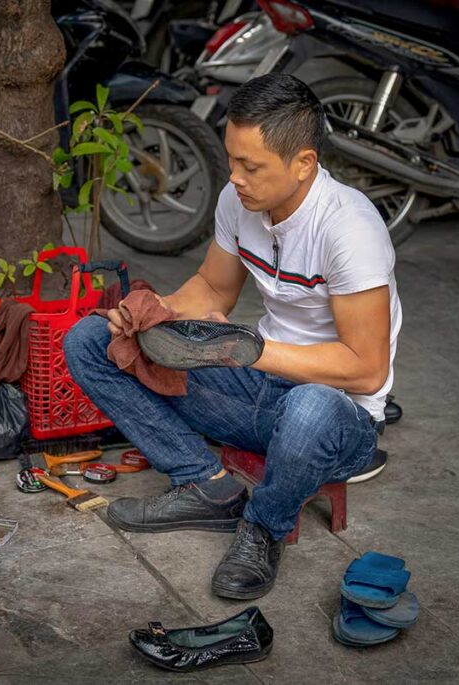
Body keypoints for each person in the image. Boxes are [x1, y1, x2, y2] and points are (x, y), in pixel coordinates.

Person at [63, 73, 401, 600]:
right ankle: (205, 484)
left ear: (304, 164)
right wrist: (153, 312)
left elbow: (366, 368)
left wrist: (254, 351)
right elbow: (213, 289)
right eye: (231, 160)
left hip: (337, 422)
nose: (235, 178)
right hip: (257, 392)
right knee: (89, 339)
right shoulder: (239, 202)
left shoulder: (349, 229)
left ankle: (262, 530)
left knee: (309, 407)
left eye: (251, 166)